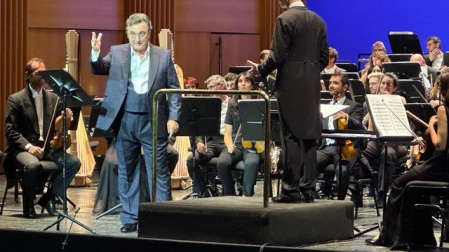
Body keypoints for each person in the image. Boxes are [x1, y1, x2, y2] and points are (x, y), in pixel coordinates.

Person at [90, 13, 181, 233]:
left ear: (148, 33)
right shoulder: (118, 52)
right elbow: (99, 68)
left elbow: (174, 90)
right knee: (127, 170)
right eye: (132, 34)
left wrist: (174, 117)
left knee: (158, 171)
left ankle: (163, 218)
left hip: (153, 120)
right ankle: (130, 218)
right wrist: (95, 52)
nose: (137, 38)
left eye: (141, 33)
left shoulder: (163, 55)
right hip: (125, 120)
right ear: (127, 34)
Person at [250, 0, 328, 203]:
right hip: (311, 84)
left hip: (291, 85)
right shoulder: (318, 20)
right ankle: (308, 189)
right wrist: (309, 72)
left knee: (291, 136)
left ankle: (290, 190)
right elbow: (324, 57)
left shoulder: (284, 18)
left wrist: (259, 72)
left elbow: (278, 56)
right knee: (310, 136)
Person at [366, 72, 449, 249]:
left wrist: (433, 124)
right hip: (445, 166)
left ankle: (392, 236)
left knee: (398, 183)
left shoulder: (443, 110)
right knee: (415, 188)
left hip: (441, 165)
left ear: (442, 89)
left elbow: (440, 145)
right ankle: (420, 237)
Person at [4, 58, 81, 218]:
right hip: (23, 150)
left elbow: (61, 125)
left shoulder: (54, 99)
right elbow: (10, 130)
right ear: (28, 75)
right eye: (38, 73)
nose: (42, 76)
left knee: (74, 162)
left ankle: (49, 198)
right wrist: (29, 147)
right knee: (32, 165)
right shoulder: (16, 99)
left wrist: (67, 117)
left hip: (47, 149)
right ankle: (28, 207)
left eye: (44, 73)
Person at [316, 72, 364, 200]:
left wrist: (347, 117)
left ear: (345, 87)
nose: (331, 85)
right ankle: (310, 196)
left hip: (344, 148)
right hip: (326, 147)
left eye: (335, 83)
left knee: (342, 169)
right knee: (309, 162)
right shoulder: (323, 106)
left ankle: (340, 203)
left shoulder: (354, 106)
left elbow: (359, 125)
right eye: (330, 83)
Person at [216, 71, 262, 196]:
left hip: (253, 146)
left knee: (252, 163)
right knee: (221, 163)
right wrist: (230, 146)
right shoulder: (232, 104)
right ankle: (230, 195)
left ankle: (247, 196)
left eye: (246, 81)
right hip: (236, 144)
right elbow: (227, 134)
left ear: (252, 85)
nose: (243, 84)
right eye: (240, 81)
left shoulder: (260, 102)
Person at [186, 75, 229, 196]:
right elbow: (199, 126)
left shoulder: (233, 103)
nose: (209, 91)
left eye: (211, 87)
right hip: (212, 141)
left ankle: (228, 193)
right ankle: (204, 192)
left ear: (221, 86)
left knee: (226, 162)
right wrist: (199, 142)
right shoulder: (207, 104)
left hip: (228, 141)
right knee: (192, 160)